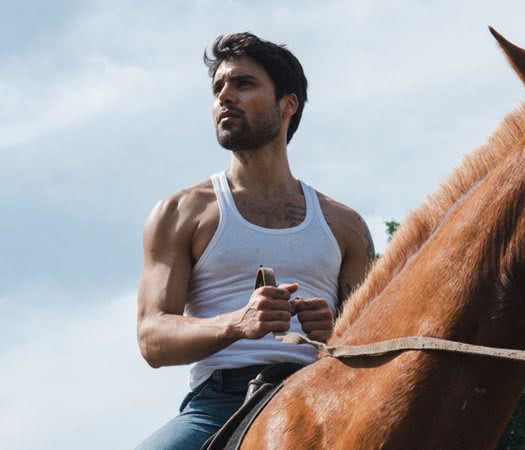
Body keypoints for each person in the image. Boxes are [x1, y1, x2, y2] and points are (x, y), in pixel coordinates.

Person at [135, 32, 375, 449]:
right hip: (219, 405)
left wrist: (337, 333)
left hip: (328, 394)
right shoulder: (181, 212)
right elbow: (153, 338)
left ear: (288, 104)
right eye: (218, 88)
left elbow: (375, 343)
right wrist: (238, 323)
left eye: (243, 84)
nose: (225, 96)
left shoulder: (345, 225)